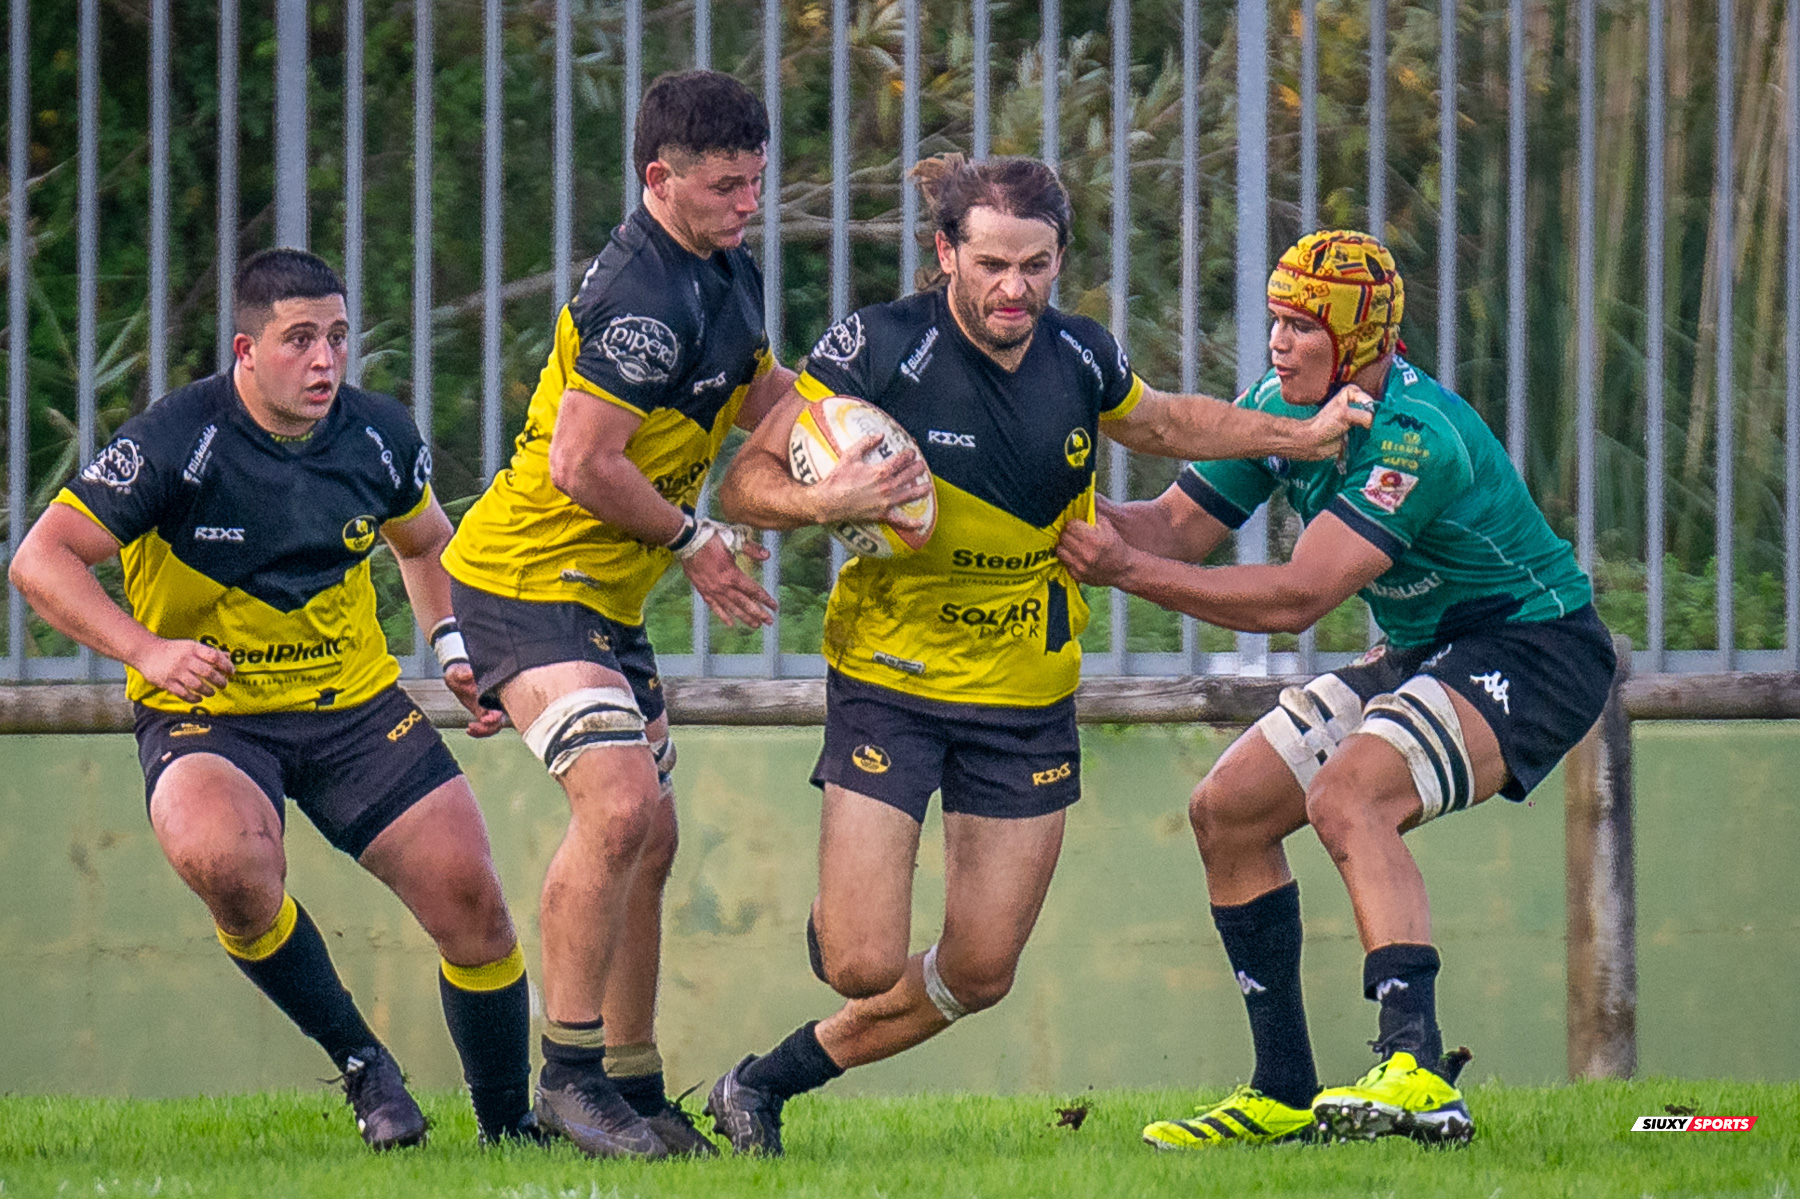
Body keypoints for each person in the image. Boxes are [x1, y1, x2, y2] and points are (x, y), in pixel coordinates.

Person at [701, 154, 1371, 1156]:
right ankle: (842, 914)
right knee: (861, 963)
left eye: (1036, 265)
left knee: (979, 971)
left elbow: (1164, 420)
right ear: (946, 254)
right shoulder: (879, 345)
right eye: (992, 265)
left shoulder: (1081, 355)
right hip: (893, 683)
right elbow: (743, 483)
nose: (1014, 288)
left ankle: (762, 1081)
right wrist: (825, 499)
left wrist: (1302, 435)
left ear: (1059, 260)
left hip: (1026, 697)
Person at [1056, 230, 1616, 1149]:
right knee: (1229, 810)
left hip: (1534, 645)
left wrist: (1124, 571)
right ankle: (1283, 1090)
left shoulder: (1413, 435)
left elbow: (1298, 596)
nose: (1277, 342)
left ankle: (1416, 1069)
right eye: (1275, 320)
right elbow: (1173, 528)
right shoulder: (1279, 408)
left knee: (1350, 795)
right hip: (1425, 646)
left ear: (1359, 343)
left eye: (1302, 326)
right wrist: (1047, 498)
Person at [9, 248, 536, 1149]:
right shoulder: (178, 439)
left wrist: (454, 648)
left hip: (352, 708)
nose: (325, 360)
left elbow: (423, 543)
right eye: (299, 340)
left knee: (471, 897)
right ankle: (364, 1062)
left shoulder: (377, 434)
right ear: (246, 352)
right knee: (226, 864)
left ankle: (509, 1130)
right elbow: (40, 558)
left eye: (337, 336)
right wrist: (148, 650)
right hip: (209, 713)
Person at [439, 69, 793, 1159]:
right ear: (658, 178)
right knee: (621, 807)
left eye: (757, 181)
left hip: (599, 595)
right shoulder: (642, 297)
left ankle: (632, 1083)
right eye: (727, 186)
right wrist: (695, 541)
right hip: (526, 579)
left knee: (653, 833)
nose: (749, 204)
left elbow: (766, 395)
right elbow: (582, 462)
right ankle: (568, 1077)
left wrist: (856, 451)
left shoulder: (723, 269)